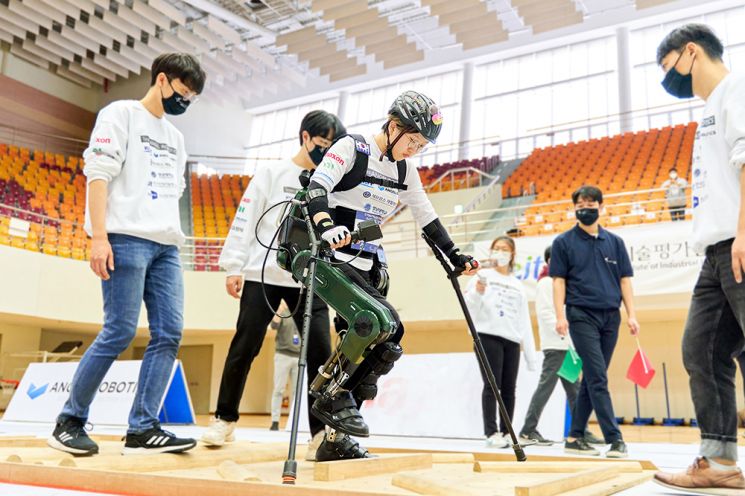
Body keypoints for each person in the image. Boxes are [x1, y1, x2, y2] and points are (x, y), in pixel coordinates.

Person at [48, 54, 206, 456]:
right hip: (124, 238)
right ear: (162, 81)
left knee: (169, 333)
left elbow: (175, 194)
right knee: (118, 330)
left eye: (191, 99)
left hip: (166, 246)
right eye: (182, 94)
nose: (184, 103)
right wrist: (98, 237)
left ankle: (143, 428)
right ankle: (69, 420)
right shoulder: (120, 114)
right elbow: (98, 174)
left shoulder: (177, 138)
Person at [304, 90, 477, 456]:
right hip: (332, 259)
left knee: (390, 334)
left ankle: (334, 441)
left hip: (369, 264)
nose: (414, 150)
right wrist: (324, 224)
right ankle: (329, 394)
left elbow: (426, 216)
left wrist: (454, 254)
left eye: (421, 145)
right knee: (372, 322)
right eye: (412, 141)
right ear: (393, 125)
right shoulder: (353, 147)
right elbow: (317, 187)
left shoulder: (404, 169)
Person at [201, 111, 344, 460]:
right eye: (322, 144)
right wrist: (233, 265)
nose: (325, 152)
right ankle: (225, 420)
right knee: (244, 345)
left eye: (331, 147)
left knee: (320, 355)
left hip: (311, 276)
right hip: (263, 272)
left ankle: (320, 433)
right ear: (305, 137)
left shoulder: (330, 183)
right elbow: (246, 219)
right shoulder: (271, 173)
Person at [652, 24, 745, 492]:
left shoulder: (736, 88)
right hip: (715, 253)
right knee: (701, 350)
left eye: (668, 68)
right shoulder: (708, 110)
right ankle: (720, 460)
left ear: (691, 52)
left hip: (739, 241)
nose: (668, 80)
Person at [551, 185, 639, 459]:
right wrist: (560, 315)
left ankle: (575, 436)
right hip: (581, 315)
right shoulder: (563, 242)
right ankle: (615, 439)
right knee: (598, 376)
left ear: (601, 207)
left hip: (611, 316)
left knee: (591, 378)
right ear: (574, 207)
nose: (585, 207)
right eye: (580, 204)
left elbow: (625, 280)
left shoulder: (615, 242)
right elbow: (558, 281)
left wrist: (631, 314)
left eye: (590, 203)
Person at [519, 246, 603, 446]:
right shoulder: (546, 283)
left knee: (575, 390)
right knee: (545, 387)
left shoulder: (562, 285)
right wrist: (563, 330)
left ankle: (580, 430)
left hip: (569, 347)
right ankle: (528, 430)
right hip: (556, 344)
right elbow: (546, 313)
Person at [463, 236, 537, 448]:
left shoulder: (517, 284)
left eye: (505, 249)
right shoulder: (482, 275)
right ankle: (491, 432)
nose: (500, 252)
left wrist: (530, 356)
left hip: (511, 339)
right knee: (491, 385)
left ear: (512, 254)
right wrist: (478, 292)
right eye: (496, 248)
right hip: (487, 335)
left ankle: (507, 432)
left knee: (509, 388)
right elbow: (469, 307)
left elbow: (524, 320)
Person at [268, 303, 300, 431]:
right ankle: (275, 421)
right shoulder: (283, 311)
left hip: (298, 357)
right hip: (282, 355)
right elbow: (273, 326)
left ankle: (294, 421)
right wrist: (278, 312)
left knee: (296, 391)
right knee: (279, 389)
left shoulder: (301, 312)